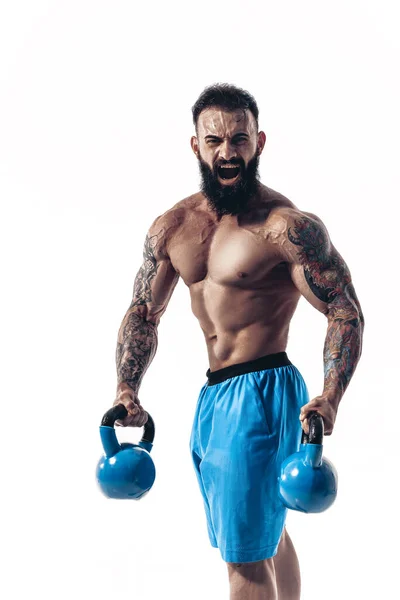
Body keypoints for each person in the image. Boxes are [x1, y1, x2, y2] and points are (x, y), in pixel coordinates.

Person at [113, 84, 364, 600]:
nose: (227, 152)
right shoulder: (173, 227)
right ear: (196, 146)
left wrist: (331, 397)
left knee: (243, 556)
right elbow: (144, 312)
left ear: (259, 142)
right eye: (215, 140)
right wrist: (126, 388)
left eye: (239, 139)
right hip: (216, 396)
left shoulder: (284, 227)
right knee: (264, 533)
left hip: (262, 390)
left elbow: (344, 310)